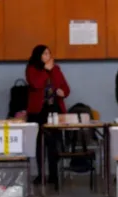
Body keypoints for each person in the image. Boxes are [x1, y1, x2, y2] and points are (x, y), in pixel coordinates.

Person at [26, 45, 70, 189]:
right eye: (45, 54)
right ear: (39, 55)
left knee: (53, 143)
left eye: (49, 54)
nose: (48, 56)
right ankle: (41, 174)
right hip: (38, 112)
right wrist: (46, 70)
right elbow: (36, 84)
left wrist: (63, 92)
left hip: (54, 110)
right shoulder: (32, 68)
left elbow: (66, 88)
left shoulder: (56, 69)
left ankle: (53, 174)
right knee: (40, 144)